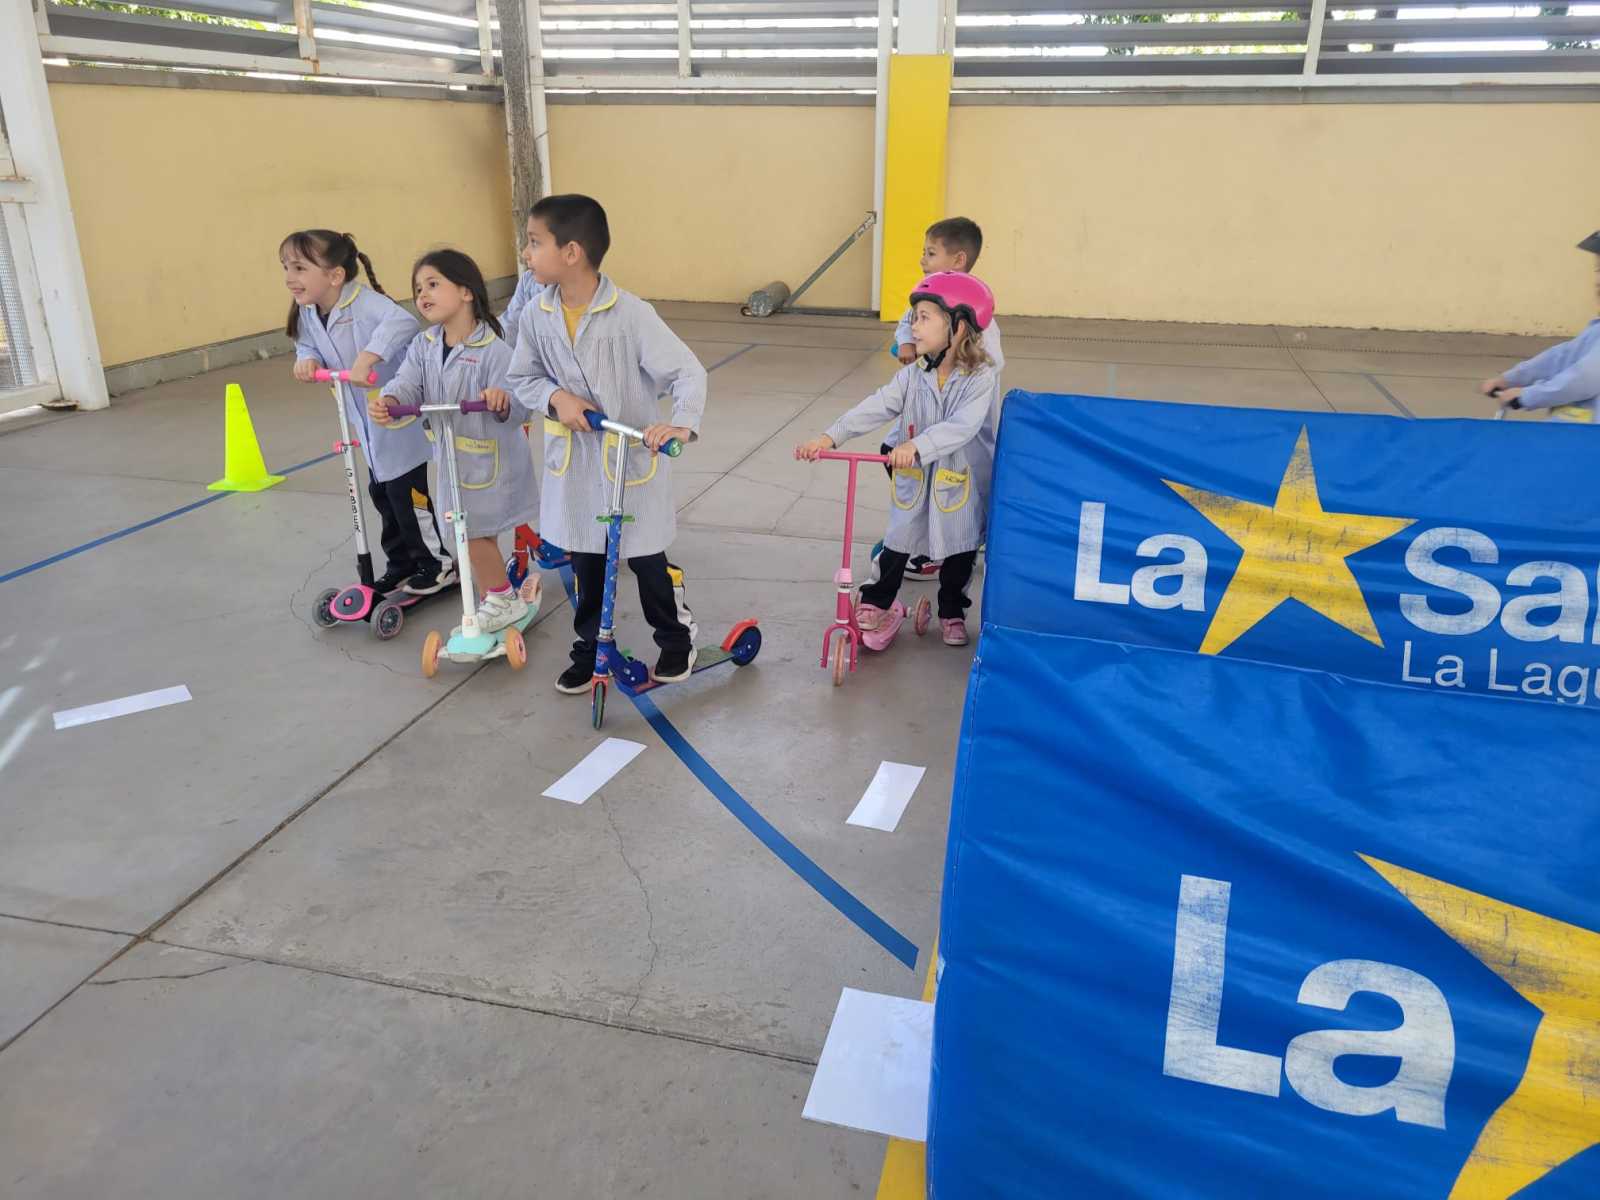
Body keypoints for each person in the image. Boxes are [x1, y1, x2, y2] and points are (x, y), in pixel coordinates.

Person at [506, 194, 708, 693]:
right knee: (586, 560)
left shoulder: (632, 315)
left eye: (535, 242)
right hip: (576, 464)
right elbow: (522, 376)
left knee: (646, 558)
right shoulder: (536, 314)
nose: (526, 253)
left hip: (631, 459)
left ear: (571, 252)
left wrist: (680, 424)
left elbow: (687, 372)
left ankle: (676, 638)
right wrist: (556, 398)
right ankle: (592, 646)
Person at [795, 272, 997, 648]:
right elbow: (877, 405)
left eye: (923, 318)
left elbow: (962, 427)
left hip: (958, 479)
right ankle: (876, 601)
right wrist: (830, 436)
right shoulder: (913, 375)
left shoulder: (980, 378)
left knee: (960, 546)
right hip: (915, 476)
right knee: (899, 538)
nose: (913, 326)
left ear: (958, 326)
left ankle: (952, 612)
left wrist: (917, 446)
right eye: (913, 317)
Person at [372, 249, 536, 633]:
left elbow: (521, 403)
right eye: (418, 289)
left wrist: (501, 399)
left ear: (465, 292)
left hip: (492, 461)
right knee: (466, 532)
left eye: (433, 284)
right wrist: (392, 400)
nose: (423, 295)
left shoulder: (495, 350)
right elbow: (407, 382)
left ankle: (502, 598)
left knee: (472, 533)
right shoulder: (424, 345)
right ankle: (494, 596)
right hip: (452, 459)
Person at [284, 229, 452, 596]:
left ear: (335, 275)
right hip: (362, 418)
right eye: (286, 268)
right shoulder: (309, 311)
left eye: (299, 268)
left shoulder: (365, 303)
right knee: (382, 494)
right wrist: (306, 359)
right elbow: (306, 343)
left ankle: (437, 564)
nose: (290, 278)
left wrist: (368, 358)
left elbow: (403, 322)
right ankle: (401, 562)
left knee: (407, 494)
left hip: (395, 413)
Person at [882, 217, 1005, 579]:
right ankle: (922, 532)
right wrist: (908, 343)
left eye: (931, 252)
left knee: (965, 487)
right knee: (895, 457)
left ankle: (955, 546)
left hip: (963, 423)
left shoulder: (978, 313)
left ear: (958, 260)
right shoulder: (929, 298)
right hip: (925, 413)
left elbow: (990, 363)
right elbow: (906, 323)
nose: (922, 259)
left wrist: (955, 359)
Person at [1482, 230, 1600, 423]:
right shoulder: (1596, 330)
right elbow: (1561, 357)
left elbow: (1584, 378)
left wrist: (1528, 395)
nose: (1598, 282)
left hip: (1587, 437)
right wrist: (1511, 379)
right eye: (1598, 270)